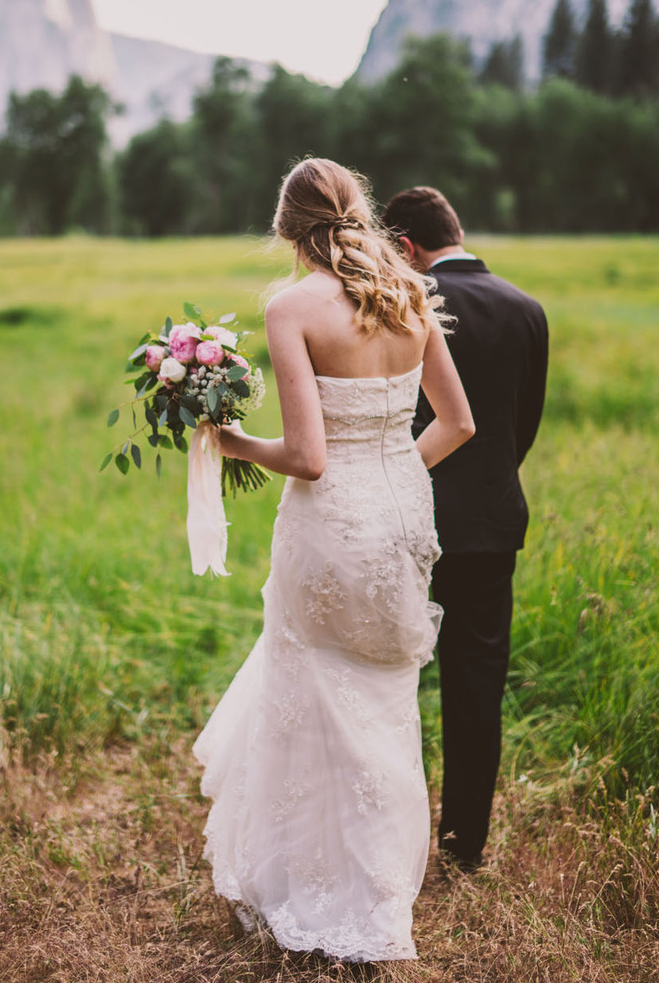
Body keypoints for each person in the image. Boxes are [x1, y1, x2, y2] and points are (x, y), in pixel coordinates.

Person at [193, 159, 474, 962]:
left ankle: (312, 891)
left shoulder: (292, 307)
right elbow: (457, 424)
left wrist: (230, 441)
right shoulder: (409, 294)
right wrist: (392, 477)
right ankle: (381, 899)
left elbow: (311, 459)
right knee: (385, 703)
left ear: (285, 228)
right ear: (361, 214)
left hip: (329, 527)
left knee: (312, 690)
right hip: (401, 518)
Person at [382, 186, 548, 872]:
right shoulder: (525, 309)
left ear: (405, 247)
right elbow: (523, 426)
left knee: (389, 679)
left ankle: (390, 838)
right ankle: (463, 845)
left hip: (406, 519)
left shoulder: (404, 310)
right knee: (477, 684)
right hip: (490, 523)